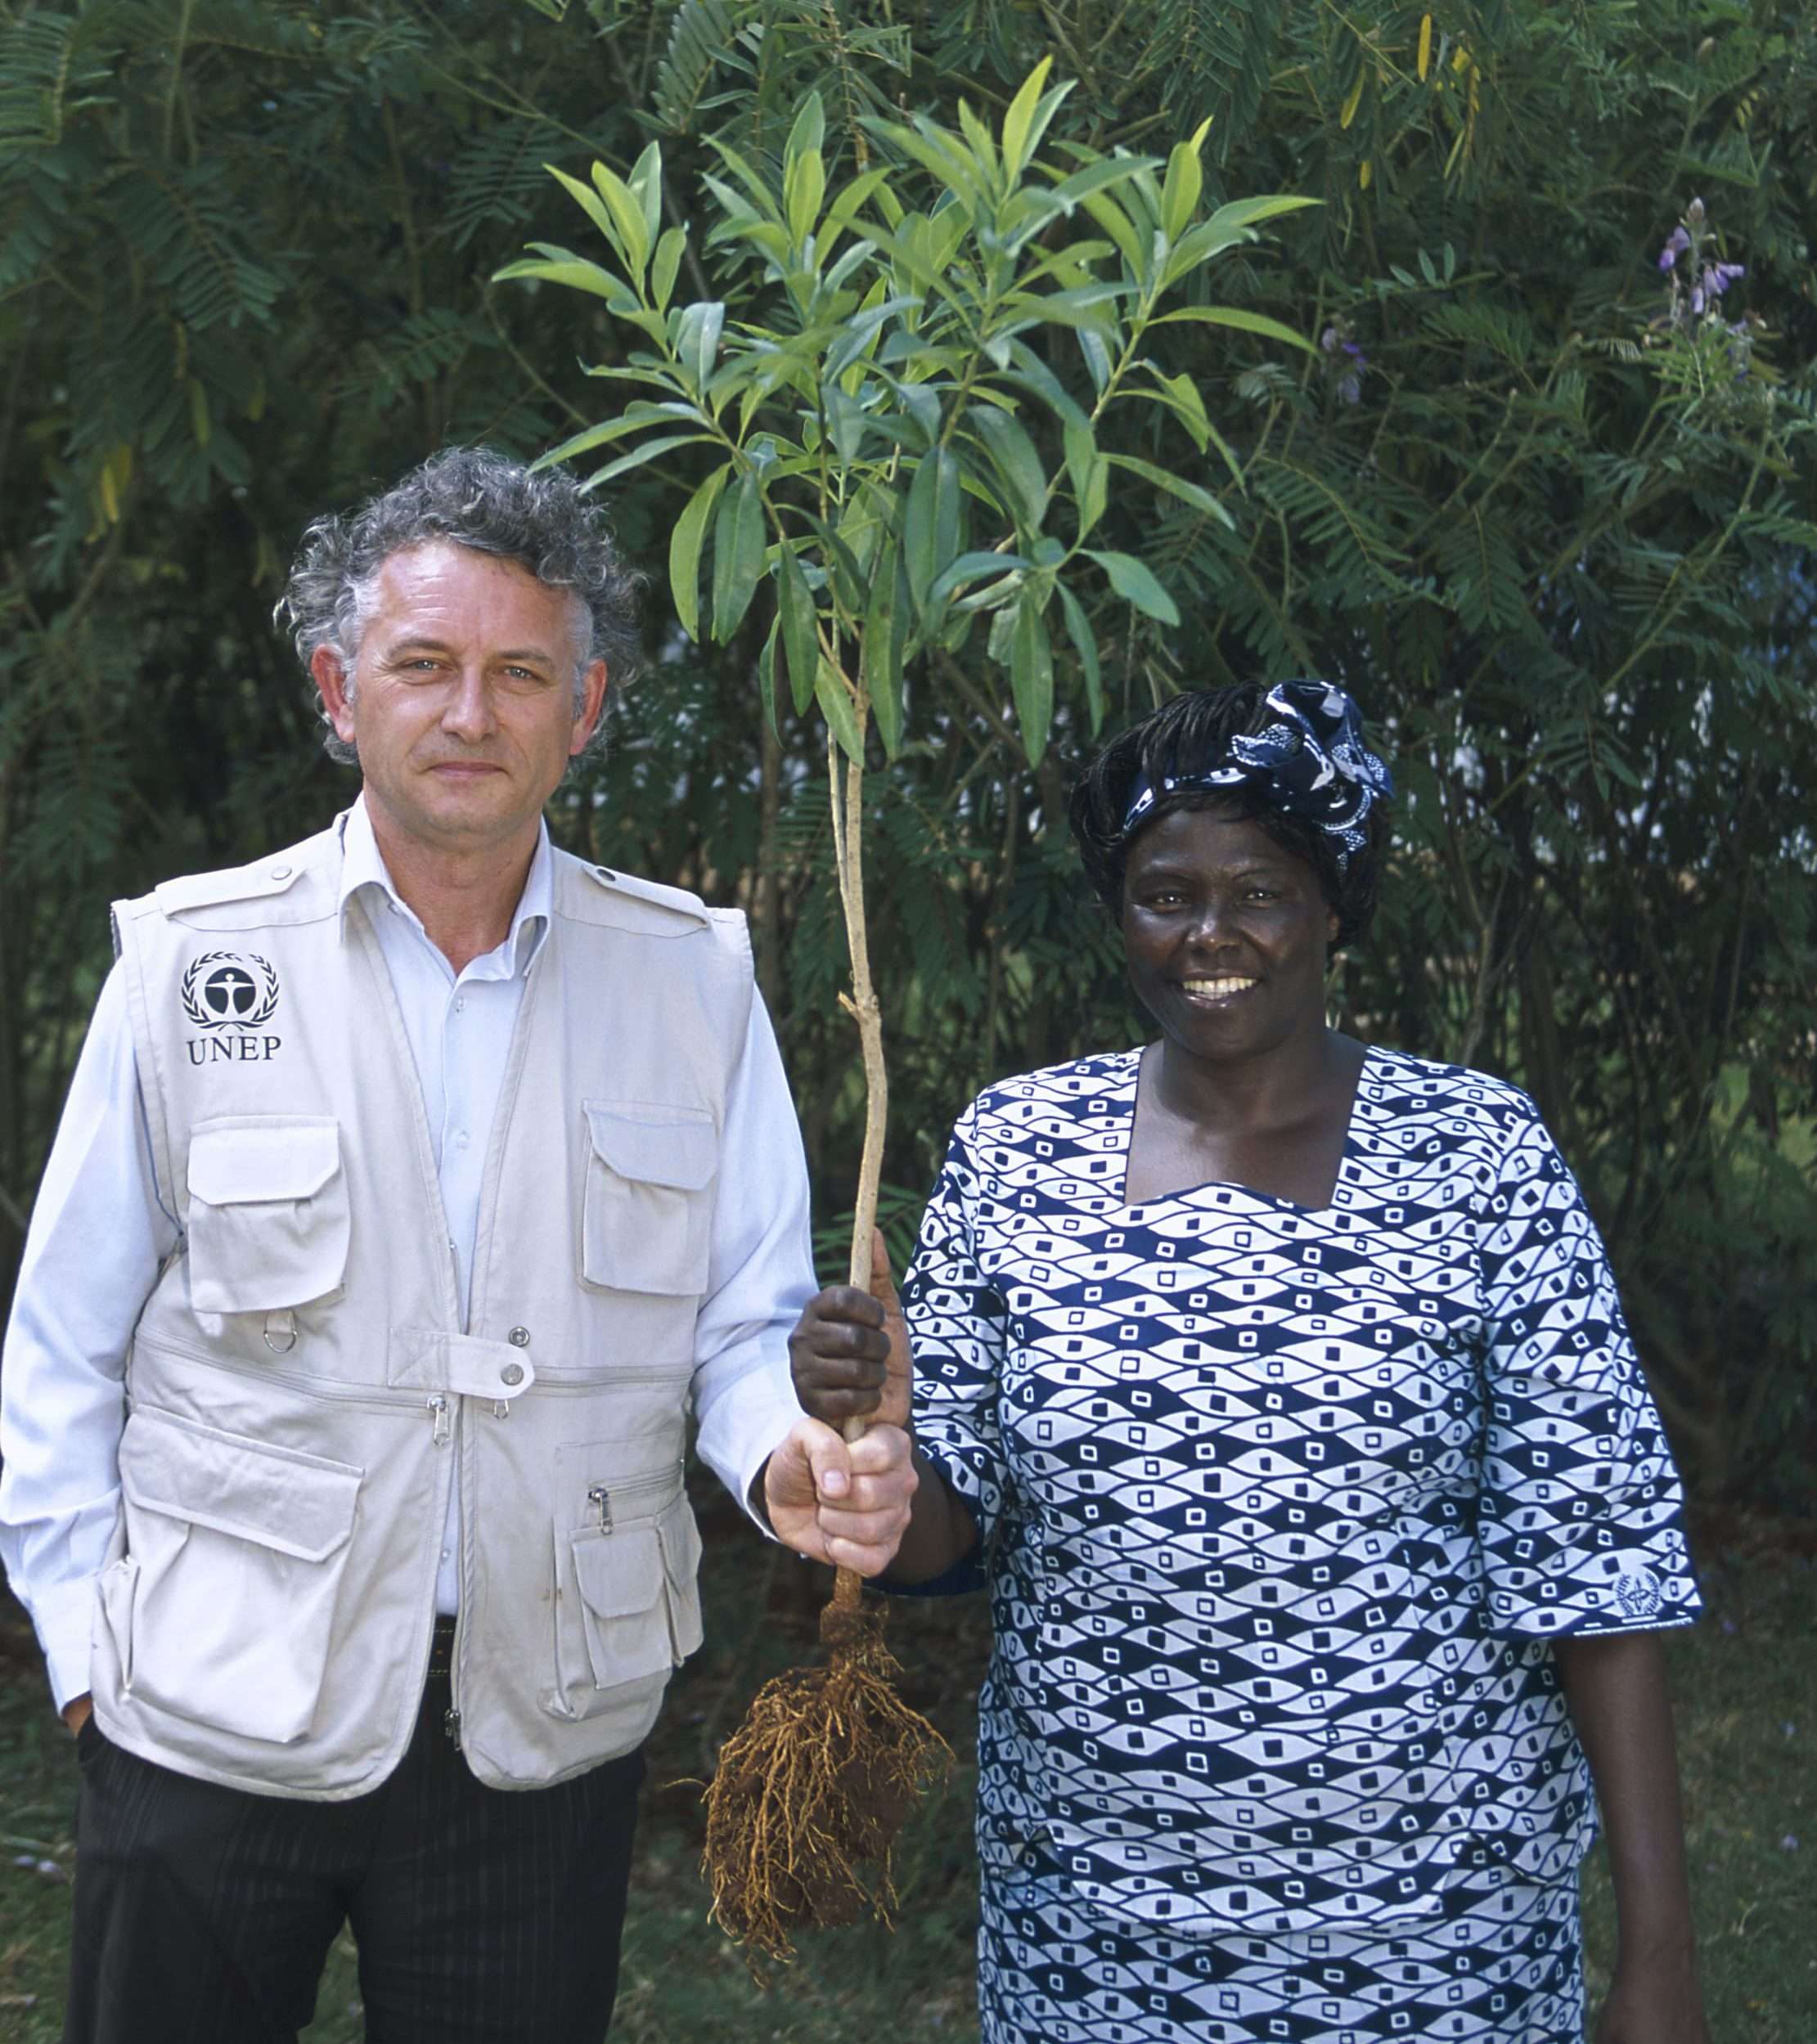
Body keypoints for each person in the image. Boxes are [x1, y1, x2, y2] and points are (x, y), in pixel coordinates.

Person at [0, 447, 914, 2044]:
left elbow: (740, 1322)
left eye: (519, 672)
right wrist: (88, 1649)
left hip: (539, 1724)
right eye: (423, 665)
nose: (470, 712)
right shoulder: (192, 963)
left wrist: (785, 1460)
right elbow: (62, 1344)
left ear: (590, 702)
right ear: (340, 689)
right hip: (209, 1713)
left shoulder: (690, 981)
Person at [790, 681, 1710, 2044]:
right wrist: (877, 1429)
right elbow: (935, 1548)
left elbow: (1593, 1568)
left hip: (1429, 1932)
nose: (1209, 934)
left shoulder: (1477, 1155)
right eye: (1166, 893)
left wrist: (1659, 1952)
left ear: (1332, 906)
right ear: (1121, 912)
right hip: (1098, 1937)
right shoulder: (1018, 1147)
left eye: (1260, 893)